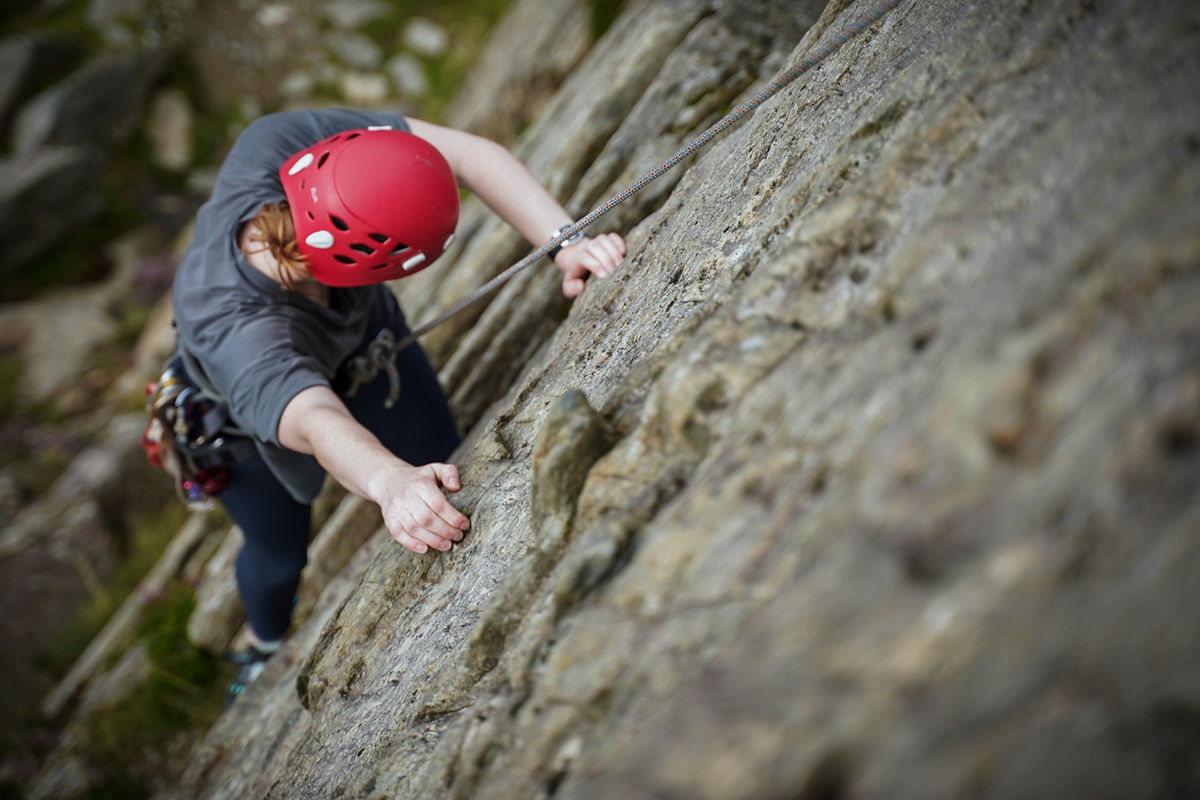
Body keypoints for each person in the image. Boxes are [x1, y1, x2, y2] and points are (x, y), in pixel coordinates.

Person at [168, 108, 626, 705]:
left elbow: (468, 155)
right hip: (236, 422)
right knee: (279, 554)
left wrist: (567, 244)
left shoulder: (281, 143)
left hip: (362, 342)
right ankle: (262, 641)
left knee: (443, 461)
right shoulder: (240, 330)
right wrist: (389, 483)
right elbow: (313, 417)